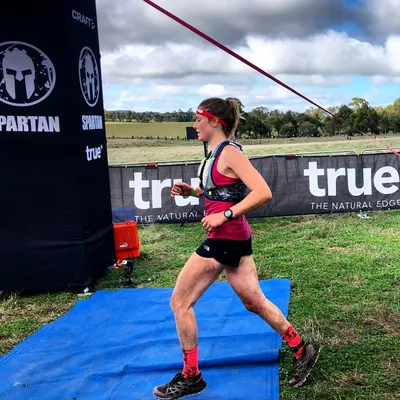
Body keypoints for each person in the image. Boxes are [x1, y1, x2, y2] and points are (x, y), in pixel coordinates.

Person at [153, 97, 319, 400]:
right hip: (234, 237)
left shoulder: (230, 152)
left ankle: (191, 376)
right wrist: (195, 192)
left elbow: (263, 192)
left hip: (224, 238)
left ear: (215, 121)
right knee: (253, 301)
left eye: (198, 119)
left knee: (180, 303)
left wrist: (224, 215)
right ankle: (302, 348)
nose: (194, 125)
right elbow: (223, 191)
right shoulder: (216, 153)